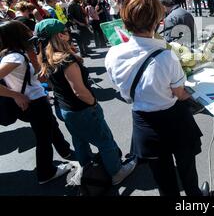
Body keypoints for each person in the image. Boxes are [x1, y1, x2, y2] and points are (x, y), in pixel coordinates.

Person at [105, 0, 208, 196]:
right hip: (175, 119)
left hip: (144, 122)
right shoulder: (166, 56)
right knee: (187, 170)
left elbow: (124, 90)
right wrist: (201, 96)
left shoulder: (113, 54)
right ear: (158, 21)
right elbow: (179, 93)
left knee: (163, 179)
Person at [35, 19, 136, 186]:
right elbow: (79, 91)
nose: (68, 33)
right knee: (105, 141)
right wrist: (93, 102)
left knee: (79, 139)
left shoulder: (46, 57)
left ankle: (87, 168)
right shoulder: (65, 59)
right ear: (60, 35)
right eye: (65, 31)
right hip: (81, 109)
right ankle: (117, 173)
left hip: (65, 108)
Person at [0, 21, 72, 185]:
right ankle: (46, 172)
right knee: (43, 138)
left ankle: (65, 150)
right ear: (17, 36)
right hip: (34, 103)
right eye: (24, 31)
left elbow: (37, 76)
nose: (29, 33)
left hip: (36, 100)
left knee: (51, 126)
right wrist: (15, 95)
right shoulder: (15, 57)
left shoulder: (15, 53)